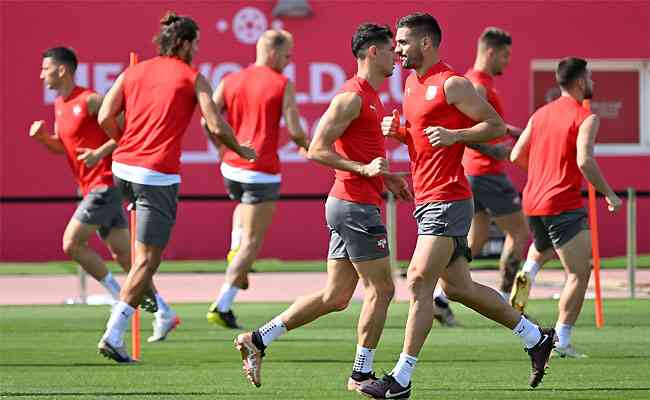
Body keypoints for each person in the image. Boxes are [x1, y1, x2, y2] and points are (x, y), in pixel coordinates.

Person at [359, 14, 555, 399]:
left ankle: (400, 379)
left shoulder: (452, 84)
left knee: (417, 281)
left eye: (402, 42)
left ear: (426, 43)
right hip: (428, 198)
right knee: (460, 288)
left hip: (449, 198)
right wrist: (401, 134)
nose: (395, 49)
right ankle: (536, 337)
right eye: (394, 43)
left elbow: (495, 126)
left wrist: (456, 134)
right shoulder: (413, 84)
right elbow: (426, 140)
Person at [232, 23, 412, 390]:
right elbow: (316, 148)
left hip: (352, 202)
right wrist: (363, 170)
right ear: (372, 52)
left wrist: (384, 179)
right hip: (354, 206)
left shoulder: (371, 97)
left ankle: (259, 339)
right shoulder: (352, 96)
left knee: (336, 297)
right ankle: (361, 372)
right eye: (391, 49)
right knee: (383, 290)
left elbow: (358, 153)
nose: (397, 56)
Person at [95, 11, 255, 363]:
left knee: (141, 259)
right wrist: (240, 148)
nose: (197, 49)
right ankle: (115, 333)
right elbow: (214, 123)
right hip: (156, 176)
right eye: (196, 42)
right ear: (183, 42)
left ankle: (160, 313)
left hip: (123, 170)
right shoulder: (192, 77)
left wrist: (126, 141)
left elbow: (105, 115)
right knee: (148, 260)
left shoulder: (135, 71)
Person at [31, 47, 174, 342]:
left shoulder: (91, 100)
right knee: (128, 260)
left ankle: (116, 297)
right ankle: (163, 311)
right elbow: (65, 147)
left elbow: (125, 131)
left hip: (104, 184)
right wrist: (45, 139)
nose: (41, 74)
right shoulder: (60, 104)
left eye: (46, 68)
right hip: (92, 187)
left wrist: (99, 153)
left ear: (63, 70)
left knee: (72, 243)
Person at [509, 57, 622, 358]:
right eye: (591, 78)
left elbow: (517, 154)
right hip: (562, 202)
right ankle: (562, 340)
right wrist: (609, 194)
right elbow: (585, 161)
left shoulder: (540, 113)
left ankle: (528, 273)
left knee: (544, 247)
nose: (594, 83)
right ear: (581, 82)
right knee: (579, 273)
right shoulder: (586, 117)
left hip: (533, 200)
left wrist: (540, 175)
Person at [202, 29, 309, 329]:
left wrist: (222, 149)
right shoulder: (281, 83)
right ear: (273, 52)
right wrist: (309, 146)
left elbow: (206, 119)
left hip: (231, 168)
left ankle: (236, 249)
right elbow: (295, 128)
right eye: (287, 55)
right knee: (254, 241)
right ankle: (222, 304)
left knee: (242, 211)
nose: (289, 62)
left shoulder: (231, 79)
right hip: (261, 169)